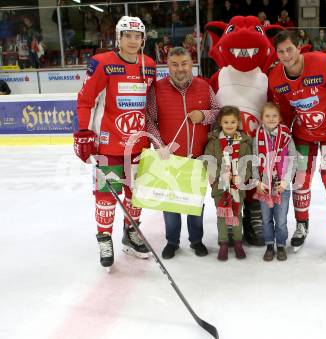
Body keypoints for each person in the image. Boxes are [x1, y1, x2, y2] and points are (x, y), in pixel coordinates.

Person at [74, 16, 157, 270]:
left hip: (138, 146)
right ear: (118, 38)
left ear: (143, 39)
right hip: (108, 146)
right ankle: (104, 238)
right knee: (106, 196)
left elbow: (151, 106)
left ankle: (131, 235)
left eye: (137, 36)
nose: (132, 41)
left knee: (136, 196)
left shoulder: (150, 65)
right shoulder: (102, 63)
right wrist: (84, 132)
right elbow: (85, 100)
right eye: (127, 36)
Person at [269, 30, 326, 259]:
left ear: (299, 47)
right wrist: (282, 135)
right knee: (300, 180)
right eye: (280, 51)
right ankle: (302, 225)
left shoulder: (324, 63)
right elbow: (285, 111)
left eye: (289, 49)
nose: (286, 55)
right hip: (303, 135)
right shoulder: (276, 79)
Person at [147, 46, 220, 259]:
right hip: (168, 158)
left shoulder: (204, 86)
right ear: (168, 66)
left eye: (184, 63)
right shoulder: (157, 89)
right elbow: (149, 118)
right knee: (170, 205)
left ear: (191, 63)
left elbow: (218, 113)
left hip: (197, 157)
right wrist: (159, 145)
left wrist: (204, 115)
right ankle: (172, 241)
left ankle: (196, 240)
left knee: (195, 203)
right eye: (175, 64)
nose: (180, 69)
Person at [204, 105, 252, 261]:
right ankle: (223, 243)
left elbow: (249, 163)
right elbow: (208, 162)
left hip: (238, 186)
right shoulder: (214, 142)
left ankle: (238, 242)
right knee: (222, 215)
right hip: (220, 186)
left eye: (233, 122)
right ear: (220, 123)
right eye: (226, 122)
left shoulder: (244, 142)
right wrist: (220, 176)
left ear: (238, 122)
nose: (229, 125)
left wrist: (242, 176)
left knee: (237, 213)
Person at [252, 102, 296, 261]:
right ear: (261, 118)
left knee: (281, 220)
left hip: (281, 187)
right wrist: (257, 181)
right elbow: (255, 160)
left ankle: (281, 245)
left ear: (280, 118)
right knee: (266, 219)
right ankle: (270, 244)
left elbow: (293, 160)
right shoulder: (257, 137)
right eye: (267, 116)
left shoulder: (286, 136)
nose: (271, 119)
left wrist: (285, 181)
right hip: (265, 186)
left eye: (274, 116)